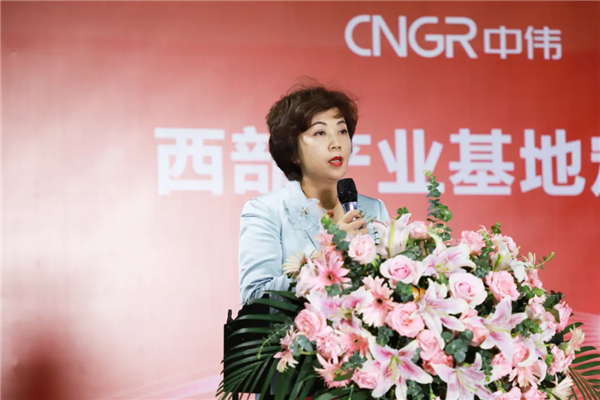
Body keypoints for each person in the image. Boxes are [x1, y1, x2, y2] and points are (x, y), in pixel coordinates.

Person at [238, 84, 390, 304]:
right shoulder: (266, 211)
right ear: (293, 153)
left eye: (342, 131)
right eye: (320, 132)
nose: (336, 143)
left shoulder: (374, 209)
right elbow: (255, 299)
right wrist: (328, 256)